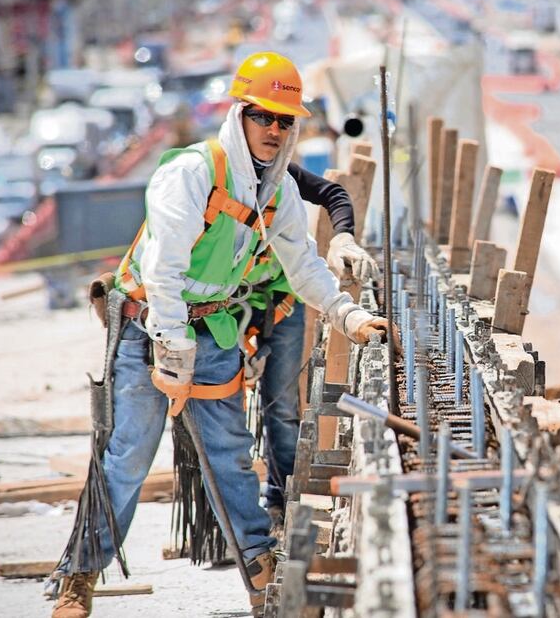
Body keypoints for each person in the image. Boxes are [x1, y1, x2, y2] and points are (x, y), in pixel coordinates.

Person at [51, 51, 393, 618]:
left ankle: (262, 578)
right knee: (128, 455)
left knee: (231, 457)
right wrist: (170, 343)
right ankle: (79, 576)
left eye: (286, 120)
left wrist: (344, 312)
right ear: (240, 115)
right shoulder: (192, 172)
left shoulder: (277, 191)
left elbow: (301, 262)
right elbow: (163, 267)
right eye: (265, 117)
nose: (275, 130)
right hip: (150, 327)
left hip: (214, 331)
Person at [239, 168, 378, 520]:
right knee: (223, 413)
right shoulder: (212, 176)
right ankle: (231, 514)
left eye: (283, 123)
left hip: (282, 300)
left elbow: (333, 194)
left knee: (283, 407)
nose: (273, 131)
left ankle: (282, 500)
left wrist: (342, 239)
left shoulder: (279, 171)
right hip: (224, 306)